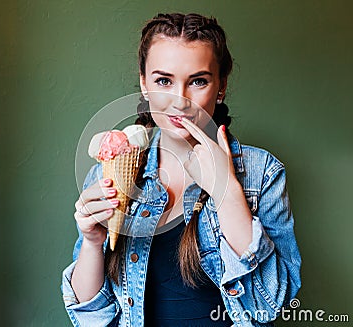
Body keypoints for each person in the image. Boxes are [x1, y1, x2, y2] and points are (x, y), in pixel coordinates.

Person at [62, 13, 301, 327]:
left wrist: (227, 190)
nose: (180, 101)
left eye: (198, 81)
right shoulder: (109, 175)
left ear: (221, 86)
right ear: (144, 84)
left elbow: (272, 306)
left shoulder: (261, 173)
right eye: (164, 81)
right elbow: (90, 316)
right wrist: (93, 243)